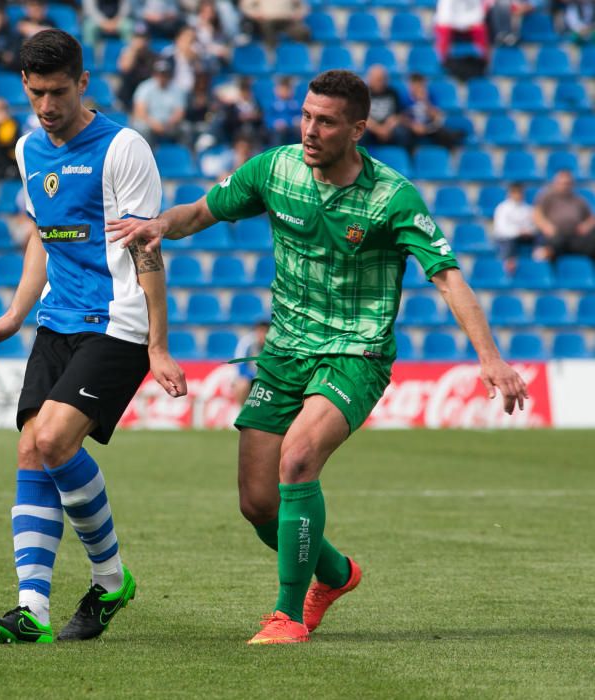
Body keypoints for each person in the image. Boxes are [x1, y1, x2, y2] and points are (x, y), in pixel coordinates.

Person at [108, 69, 528, 645]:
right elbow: (202, 212)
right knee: (257, 504)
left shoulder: (392, 197)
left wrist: (492, 358)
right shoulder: (275, 169)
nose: (309, 130)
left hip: (356, 353)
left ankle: (287, 616)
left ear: (358, 129)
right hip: (284, 351)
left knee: (298, 461)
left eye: (325, 121)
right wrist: (160, 224)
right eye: (306, 116)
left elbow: (449, 279)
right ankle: (335, 574)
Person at [0, 29, 187, 645]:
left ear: (83, 83)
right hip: (56, 318)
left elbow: (147, 243)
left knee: (56, 439)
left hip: (118, 321)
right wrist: (15, 315)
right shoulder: (28, 150)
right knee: (31, 448)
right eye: (36, 93)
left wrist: (159, 345)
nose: (46, 106)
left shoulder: (123, 148)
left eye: (58, 92)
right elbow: (40, 235)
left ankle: (110, 578)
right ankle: (32, 608)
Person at [533, 170, 595, 262]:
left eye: (567, 183)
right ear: (556, 183)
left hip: (575, 236)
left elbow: (591, 218)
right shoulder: (547, 196)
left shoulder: (579, 200)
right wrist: (546, 226)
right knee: (556, 242)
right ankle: (545, 253)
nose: (565, 186)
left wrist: (586, 226)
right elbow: (537, 214)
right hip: (555, 234)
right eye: (562, 183)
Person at [131, 58, 188, 145]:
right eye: (159, 74)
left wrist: (168, 124)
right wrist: (154, 124)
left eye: (165, 74)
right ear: (154, 74)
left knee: (186, 129)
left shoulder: (176, 89)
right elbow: (140, 112)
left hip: (168, 124)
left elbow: (179, 112)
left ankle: (184, 156)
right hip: (149, 123)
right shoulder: (145, 87)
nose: (162, 77)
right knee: (143, 129)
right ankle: (147, 155)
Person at [401, 73, 464, 150]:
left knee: (443, 134)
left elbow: (436, 116)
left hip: (428, 127)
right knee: (403, 135)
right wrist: (413, 126)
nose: (418, 89)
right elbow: (402, 117)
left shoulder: (431, 96)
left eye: (421, 86)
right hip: (412, 128)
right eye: (415, 86)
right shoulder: (404, 98)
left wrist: (425, 101)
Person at [492, 182, 538, 272]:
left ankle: (539, 260)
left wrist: (528, 231)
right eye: (515, 192)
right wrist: (518, 232)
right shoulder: (502, 208)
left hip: (525, 238)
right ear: (510, 193)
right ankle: (508, 266)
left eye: (520, 192)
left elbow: (533, 226)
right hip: (507, 238)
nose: (518, 195)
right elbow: (501, 229)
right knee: (508, 241)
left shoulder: (528, 209)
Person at [362, 64, 410, 149]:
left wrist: (386, 128)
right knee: (360, 132)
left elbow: (397, 115)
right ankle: (360, 158)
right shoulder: (363, 93)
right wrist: (378, 130)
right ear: (370, 79)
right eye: (377, 79)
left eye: (382, 79)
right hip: (371, 127)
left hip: (389, 127)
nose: (380, 82)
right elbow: (362, 117)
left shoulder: (393, 93)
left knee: (402, 132)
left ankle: (402, 157)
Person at [232, 318, 269, 406]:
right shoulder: (247, 342)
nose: (262, 335)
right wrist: (254, 377)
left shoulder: (275, 344)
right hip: (250, 378)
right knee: (241, 385)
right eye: (260, 331)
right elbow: (240, 366)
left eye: (265, 332)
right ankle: (242, 414)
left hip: (268, 379)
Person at [265, 76, 301, 147]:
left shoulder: (295, 104)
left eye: (287, 89)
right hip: (277, 132)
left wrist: (297, 120)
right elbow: (268, 119)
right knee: (278, 135)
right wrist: (274, 123)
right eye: (282, 89)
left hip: (292, 129)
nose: (285, 91)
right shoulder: (272, 104)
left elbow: (299, 116)